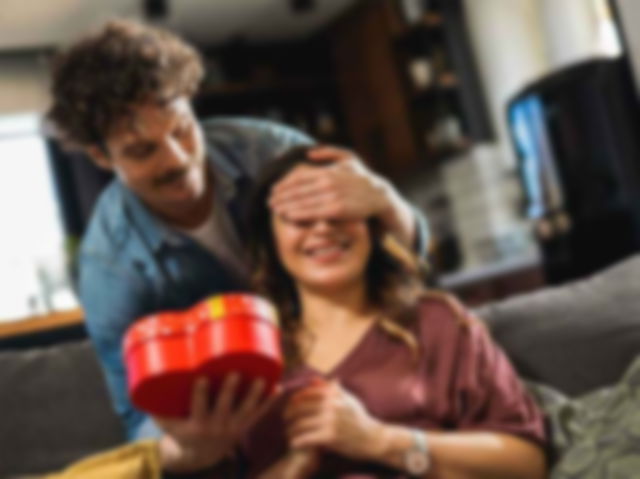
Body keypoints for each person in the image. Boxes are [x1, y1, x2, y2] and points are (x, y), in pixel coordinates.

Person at [44, 19, 429, 442]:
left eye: (182, 130)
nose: (177, 160)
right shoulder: (111, 269)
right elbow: (139, 423)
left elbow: (401, 260)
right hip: (258, 425)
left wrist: (388, 203)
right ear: (101, 156)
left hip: (363, 368)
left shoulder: (269, 152)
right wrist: (191, 447)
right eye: (142, 150)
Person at [154, 146, 548, 478]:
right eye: (298, 216)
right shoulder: (244, 357)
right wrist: (293, 467)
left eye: (339, 209)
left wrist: (381, 441)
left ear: (373, 226)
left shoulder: (436, 323)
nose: (322, 227)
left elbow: (527, 462)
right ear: (269, 242)